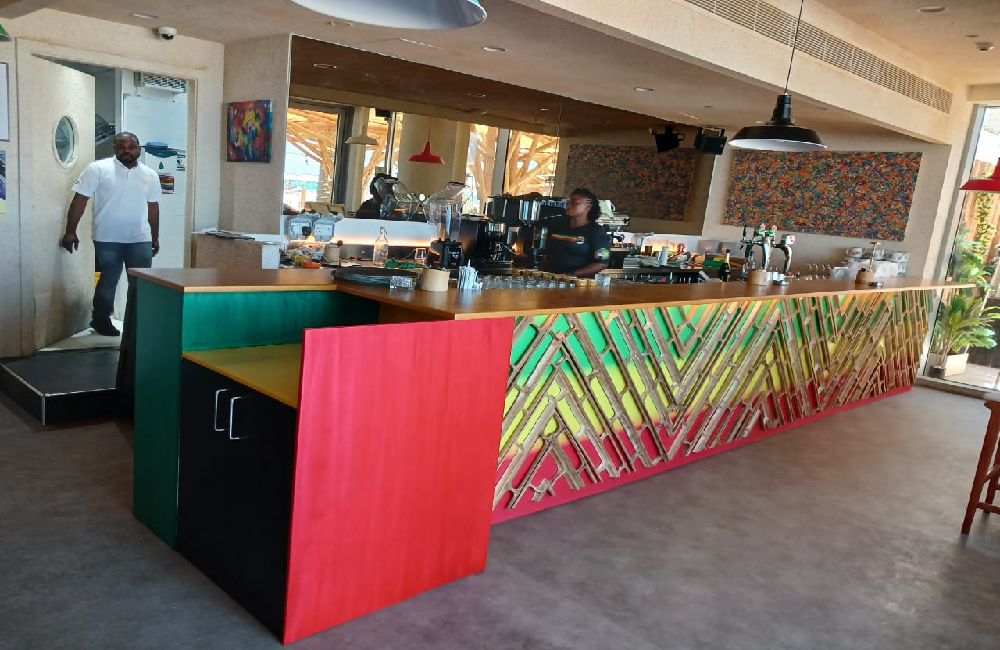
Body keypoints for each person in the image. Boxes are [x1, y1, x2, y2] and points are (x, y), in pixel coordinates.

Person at [60, 132, 161, 337]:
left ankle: (138, 323)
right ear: (114, 148)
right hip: (107, 237)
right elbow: (80, 200)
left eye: (131, 146)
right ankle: (100, 320)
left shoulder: (150, 175)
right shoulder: (98, 169)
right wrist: (70, 231)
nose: (126, 150)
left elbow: (153, 207)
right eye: (121, 146)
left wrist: (154, 236)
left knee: (141, 283)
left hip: (139, 238)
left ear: (139, 149)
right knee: (109, 279)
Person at [541, 188, 611, 277]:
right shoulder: (557, 226)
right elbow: (549, 256)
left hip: (578, 282)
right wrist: (540, 273)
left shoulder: (596, 231)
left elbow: (601, 264)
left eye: (574, 203)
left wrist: (571, 275)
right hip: (551, 279)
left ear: (588, 207)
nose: (568, 206)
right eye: (568, 203)